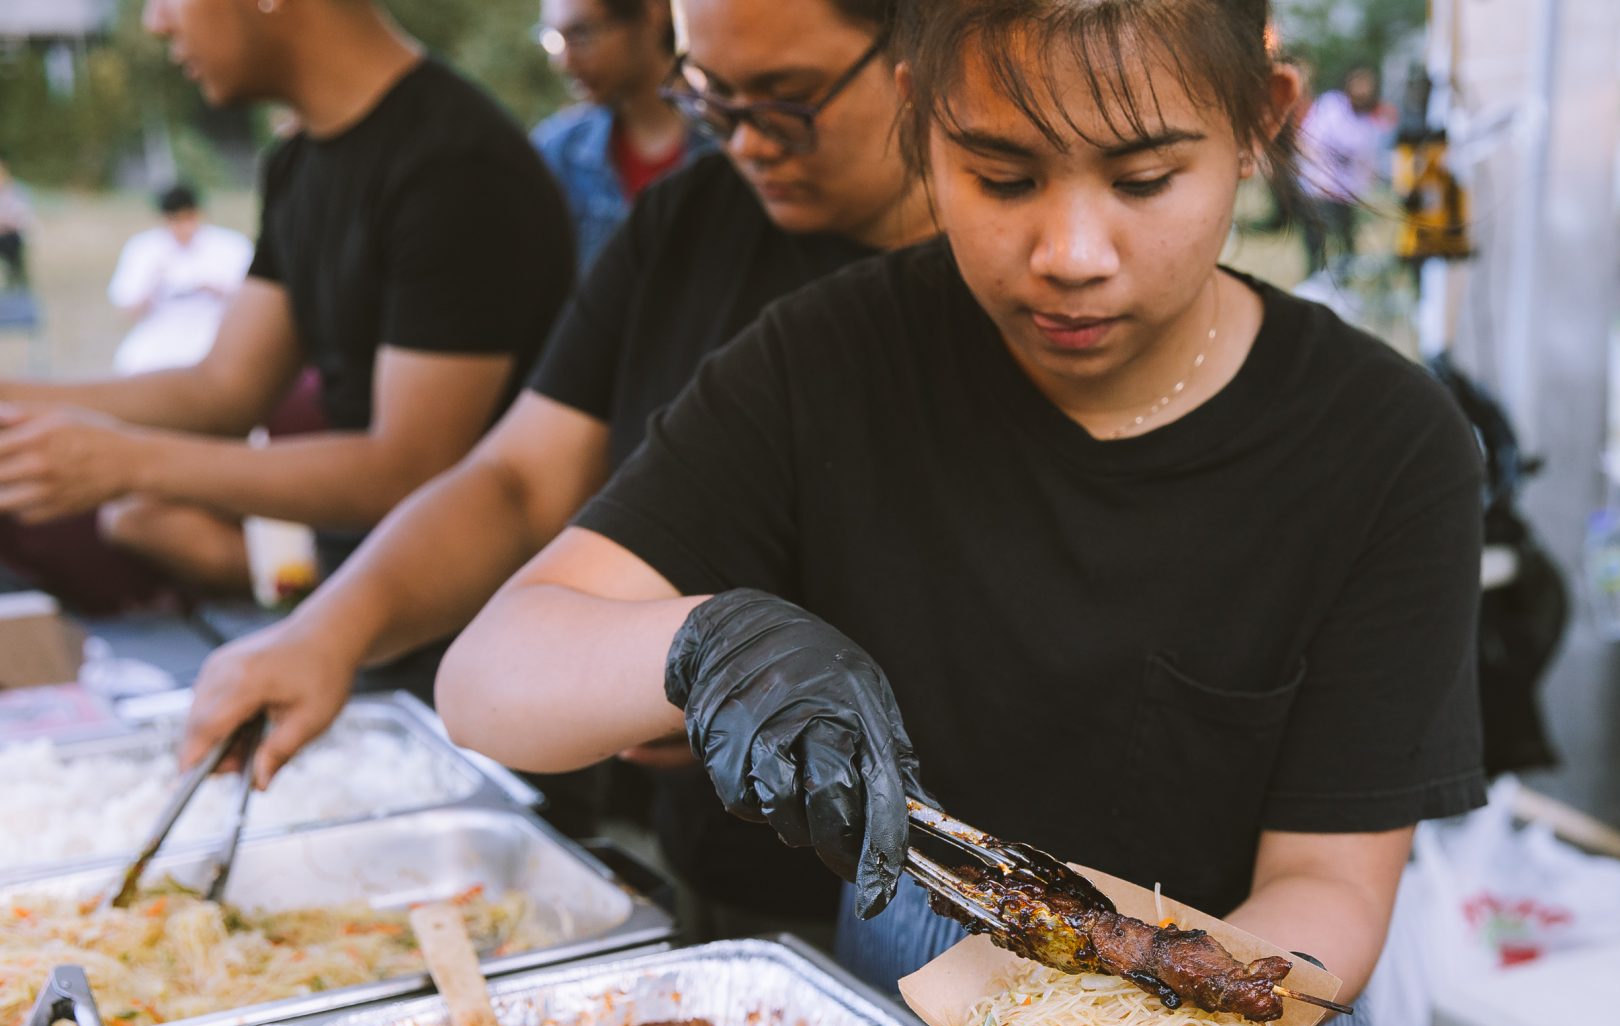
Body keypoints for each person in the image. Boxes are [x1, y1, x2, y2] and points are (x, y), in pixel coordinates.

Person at [435, 0, 1486, 1026]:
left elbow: (1329, 883)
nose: (1071, 251)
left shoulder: (1384, 446)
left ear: (1260, 124)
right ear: (919, 130)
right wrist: (700, 642)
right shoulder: (828, 360)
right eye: (1000, 176)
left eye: (1144, 179)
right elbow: (489, 678)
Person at [179, 0, 930, 926]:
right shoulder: (690, 227)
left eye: (786, 100)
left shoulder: (1027, 298)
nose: (744, 143)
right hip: (739, 875)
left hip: (963, 881)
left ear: (916, 52)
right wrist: (327, 633)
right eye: (710, 98)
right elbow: (519, 479)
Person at [0, 0, 574, 606]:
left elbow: (409, 468)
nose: (156, 22)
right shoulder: (299, 163)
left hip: (472, 613)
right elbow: (223, 388)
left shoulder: (456, 168)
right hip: (364, 587)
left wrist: (132, 462)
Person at [532, 0, 708, 271]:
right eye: (554, 39)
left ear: (653, 12)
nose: (563, 62)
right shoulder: (557, 154)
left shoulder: (733, 141)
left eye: (581, 33)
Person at [108, 183, 254, 376]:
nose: (181, 227)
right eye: (174, 220)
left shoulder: (231, 246)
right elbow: (127, 307)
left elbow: (252, 301)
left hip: (213, 326)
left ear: (198, 214)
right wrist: (153, 284)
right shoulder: (143, 248)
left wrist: (212, 288)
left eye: (187, 218)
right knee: (131, 364)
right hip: (161, 329)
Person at [1298, 67, 1394, 275]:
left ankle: (1341, 282)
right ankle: (1314, 278)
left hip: (1345, 195)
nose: (1362, 90)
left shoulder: (1369, 122)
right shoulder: (1332, 107)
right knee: (1316, 243)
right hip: (1319, 190)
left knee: (1345, 243)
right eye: (1359, 83)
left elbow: (1367, 163)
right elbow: (1309, 141)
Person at [0, 161, 32, 291]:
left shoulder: (16, 190)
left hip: (12, 235)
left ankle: (18, 283)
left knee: (15, 262)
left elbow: (22, 215)